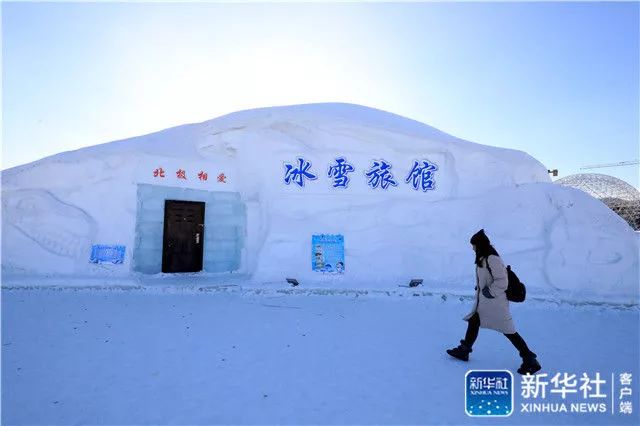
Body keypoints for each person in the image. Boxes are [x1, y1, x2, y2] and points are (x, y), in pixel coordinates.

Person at [446, 229, 541, 375]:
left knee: (509, 331)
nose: (473, 248)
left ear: (480, 244)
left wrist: (489, 292)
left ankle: (529, 359)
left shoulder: (492, 258)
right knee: (474, 320)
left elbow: (502, 281)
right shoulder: (483, 256)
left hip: (495, 304)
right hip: (485, 302)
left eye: (474, 245)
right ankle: (464, 350)